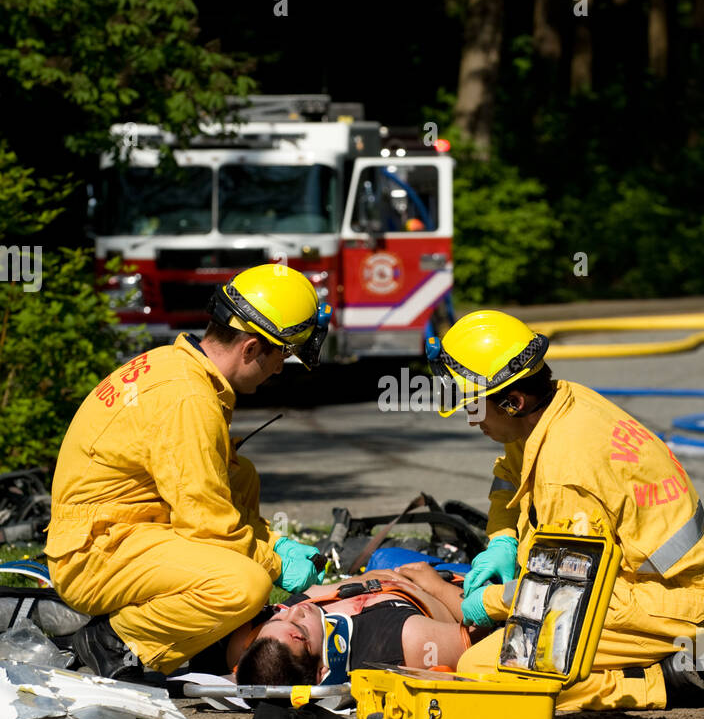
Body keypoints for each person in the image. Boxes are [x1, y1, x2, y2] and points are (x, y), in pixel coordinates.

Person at [424, 310, 704, 712]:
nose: (470, 418)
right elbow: (509, 478)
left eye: (473, 406)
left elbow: (566, 588)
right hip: (631, 587)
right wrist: (502, 541)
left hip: (661, 608)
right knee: (504, 644)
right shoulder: (552, 407)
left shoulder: (567, 471)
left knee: (481, 670)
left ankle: (659, 683)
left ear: (512, 401)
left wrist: (491, 602)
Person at [45, 264, 332, 680]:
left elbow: (210, 497)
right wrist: (275, 561)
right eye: (281, 355)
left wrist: (273, 541)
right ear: (250, 349)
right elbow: (208, 525)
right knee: (244, 587)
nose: (278, 369)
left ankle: (180, 625)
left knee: (241, 474)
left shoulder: (176, 365)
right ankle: (114, 642)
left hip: (120, 529)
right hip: (94, 554)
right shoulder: (189, 400)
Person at [225, 563, 470, 685]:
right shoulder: (406, 642)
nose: (295, 611)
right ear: (321, 673)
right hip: (456, 588)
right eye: (299, 631)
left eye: (277, 617)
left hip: (392, 569)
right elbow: (496, 637)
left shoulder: (247, 646)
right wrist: (438, 587)